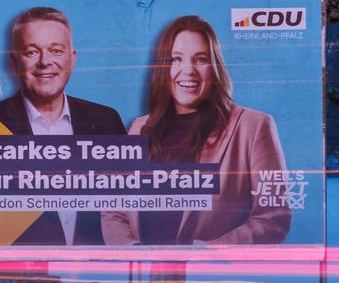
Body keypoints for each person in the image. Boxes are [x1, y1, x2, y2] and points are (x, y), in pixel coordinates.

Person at [102, 15, 291, 246]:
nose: (188, 70)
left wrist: (206, 254)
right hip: (147, 279)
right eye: (176, 59)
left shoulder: (253, 126)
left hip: (208, 279)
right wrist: (134, 253)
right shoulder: (140, 127)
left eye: (200, 59)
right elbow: (114, 211)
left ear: (215, 67)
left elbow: (272, 219)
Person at [0, 7, 125, 246]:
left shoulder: (105, 121)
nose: (45, 62)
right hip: (23, 276)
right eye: (31, 52)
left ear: (73, 58)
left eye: (56, 51)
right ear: (14, 61)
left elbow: (127, 204)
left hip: (95, 274)